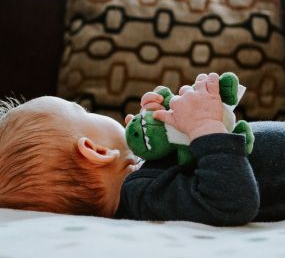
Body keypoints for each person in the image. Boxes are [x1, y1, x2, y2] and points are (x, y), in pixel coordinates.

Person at [0, 73, 284, 226]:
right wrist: (204, 126)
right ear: (95, 150)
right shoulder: (144, 196)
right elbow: (232, 202)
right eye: (83, 111)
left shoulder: (143, 177)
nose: (92, 111)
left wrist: (170, 128)